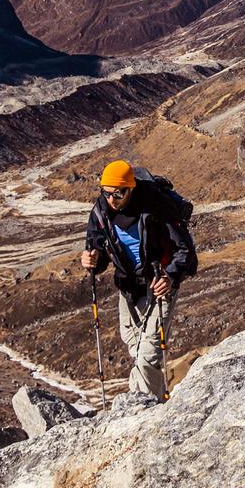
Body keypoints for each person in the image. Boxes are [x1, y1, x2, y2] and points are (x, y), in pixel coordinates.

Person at [79, 160, 192, 398]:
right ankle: (159, 402)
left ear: (131, 188)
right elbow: (96, 246)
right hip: (128, 287)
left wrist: (170, 276)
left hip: (159, 285)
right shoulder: (101, 212)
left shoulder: (156, 207)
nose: (112, 199)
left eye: (118, 193)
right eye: (107, 193)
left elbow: (185, 251)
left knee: (148, 354)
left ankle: (141, 407)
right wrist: (91, 260)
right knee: (134, 343)